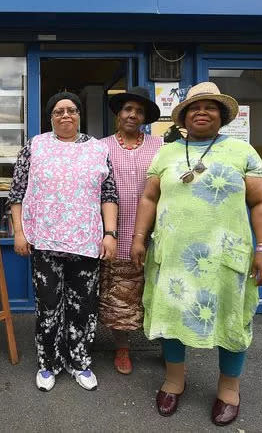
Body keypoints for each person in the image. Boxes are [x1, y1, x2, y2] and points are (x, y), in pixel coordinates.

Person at [130, 82, 262, 426]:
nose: (202, 112)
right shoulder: (166, 154)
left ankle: (228, 389)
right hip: (175, 257)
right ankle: (174, 381)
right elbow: (149, 198)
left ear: (222, 115)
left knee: (231, 319)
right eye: (195, 107)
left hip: (225, 257)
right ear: (183, 116)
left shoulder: (242, 151)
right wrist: (139, 238)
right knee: (172, 317)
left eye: (210, 107)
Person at [8, 91, 119, 392]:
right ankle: (49, 363)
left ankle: (79, 360)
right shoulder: (35, 146)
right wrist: (19, 231)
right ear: (50, 117)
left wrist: (110, 233)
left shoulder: (97, 149)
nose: (65, 115)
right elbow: (16, 193)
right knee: (48, 305)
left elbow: (108, 195)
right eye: (58, 111)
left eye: (71, 110)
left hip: (86, 242)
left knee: (83, 305)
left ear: (80, 115)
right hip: (44, 241)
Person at [100, 87, 163, 375]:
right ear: (118, 113)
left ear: (145, 117)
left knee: (159, 291)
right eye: (127, 109)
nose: (132, 115)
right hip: (117, 230)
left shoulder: (160, 146)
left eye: (138, 111)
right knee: (120, 294)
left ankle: (166, 346)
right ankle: (122, 348)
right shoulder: (101, 147)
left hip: (156, 232)